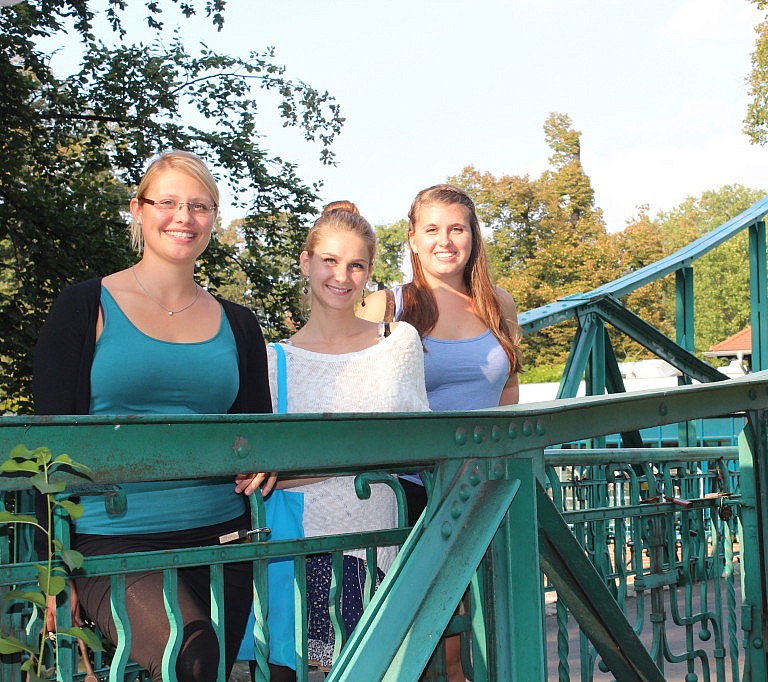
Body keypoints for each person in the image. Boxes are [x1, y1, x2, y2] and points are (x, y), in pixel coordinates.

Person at [32, 150, 274, 681]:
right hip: (111, 539)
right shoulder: (85, 306)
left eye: (199, 205)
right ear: (137, 210)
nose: (183, 217)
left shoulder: (238, 324)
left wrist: (264, 461)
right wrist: (54, 571)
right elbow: (45, 451)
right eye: (167, 202)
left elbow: (256, 434)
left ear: (213, 218)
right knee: (191, 656)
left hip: (222, 541)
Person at [240, 203, 430, 680]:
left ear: (369, 271)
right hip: (296, 551)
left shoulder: (397, 341)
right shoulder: (273, 361)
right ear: (305, 263)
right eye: (329, 260)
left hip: (376, 547)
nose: (342, 276)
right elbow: (255, 469)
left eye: (356, 265)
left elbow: (415, 443)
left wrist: (302, 468)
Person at [359, 183, 522, 680]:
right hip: (413, 495)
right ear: (412, 238)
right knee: (425, 636)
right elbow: (349, 393)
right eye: (431, 229)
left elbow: (508, 391)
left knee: (494, 626)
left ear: (473, 236)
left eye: (457, 229)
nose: (444, 241)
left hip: (488, 489)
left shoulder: (499, 303)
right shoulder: (386, 306)